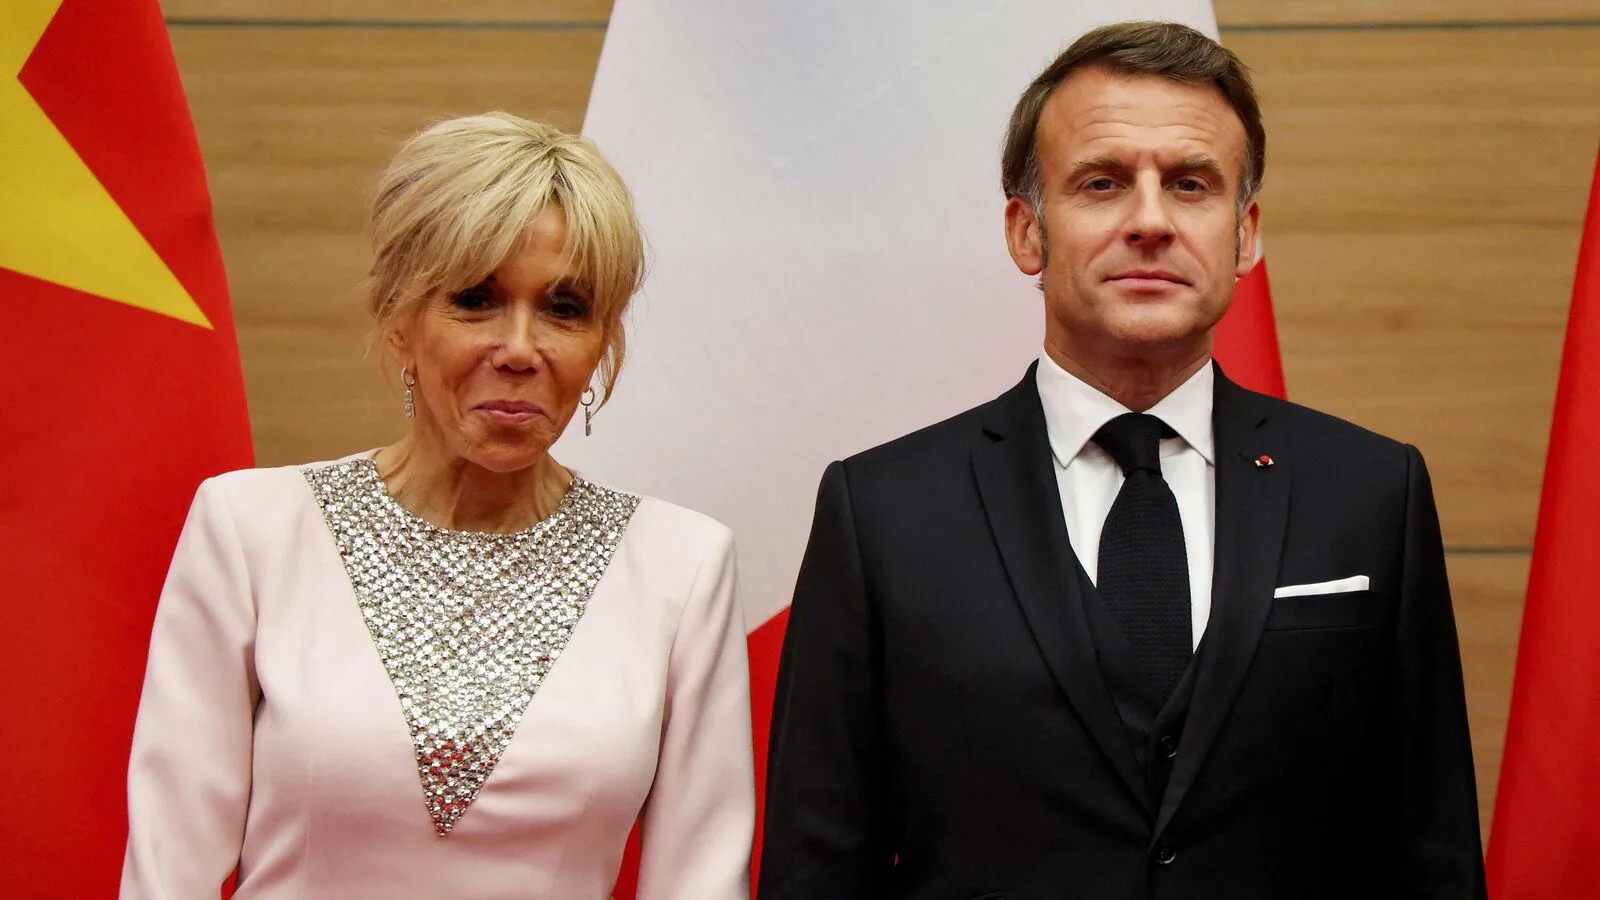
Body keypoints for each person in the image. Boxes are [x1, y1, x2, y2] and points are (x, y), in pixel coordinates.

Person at [759, 21, 1484, 899]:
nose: (1149, 222)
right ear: (1027, 232)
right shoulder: (881, 512)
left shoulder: (1372, 491)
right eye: (1102, 183)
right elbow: (819, 864)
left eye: (1190, 185)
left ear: (1245, 235)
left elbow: (1431, 850)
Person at [121, 113, 754, 899]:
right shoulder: (251, 530)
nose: (520, 348)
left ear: (602, 341)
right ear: (398, 320)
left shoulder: (681, 566)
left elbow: (700, 881)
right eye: (476, 299)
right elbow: (166, 872)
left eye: (564, 308)